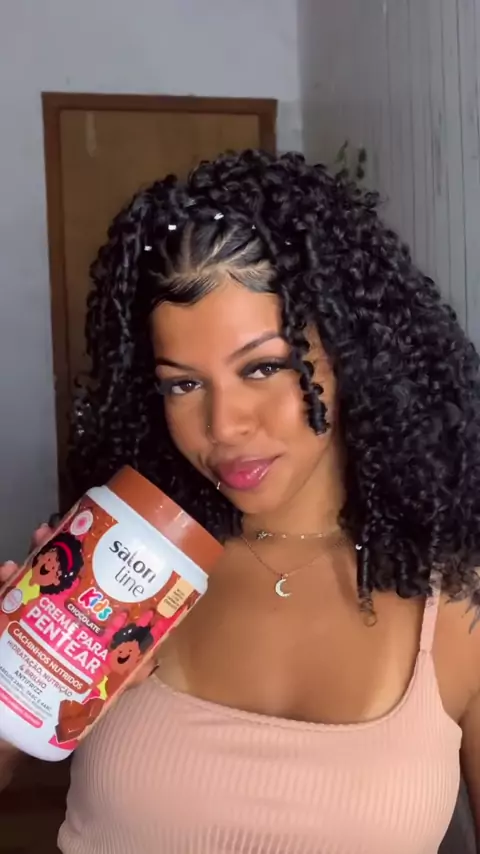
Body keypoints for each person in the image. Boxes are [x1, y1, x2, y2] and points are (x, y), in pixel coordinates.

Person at [1, 149, 480, 853]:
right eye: (183, 384)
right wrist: (16, 675)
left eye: (263, 368)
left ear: (353, 356)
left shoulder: (459, 607)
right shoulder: (124, 569)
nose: (223, 427)